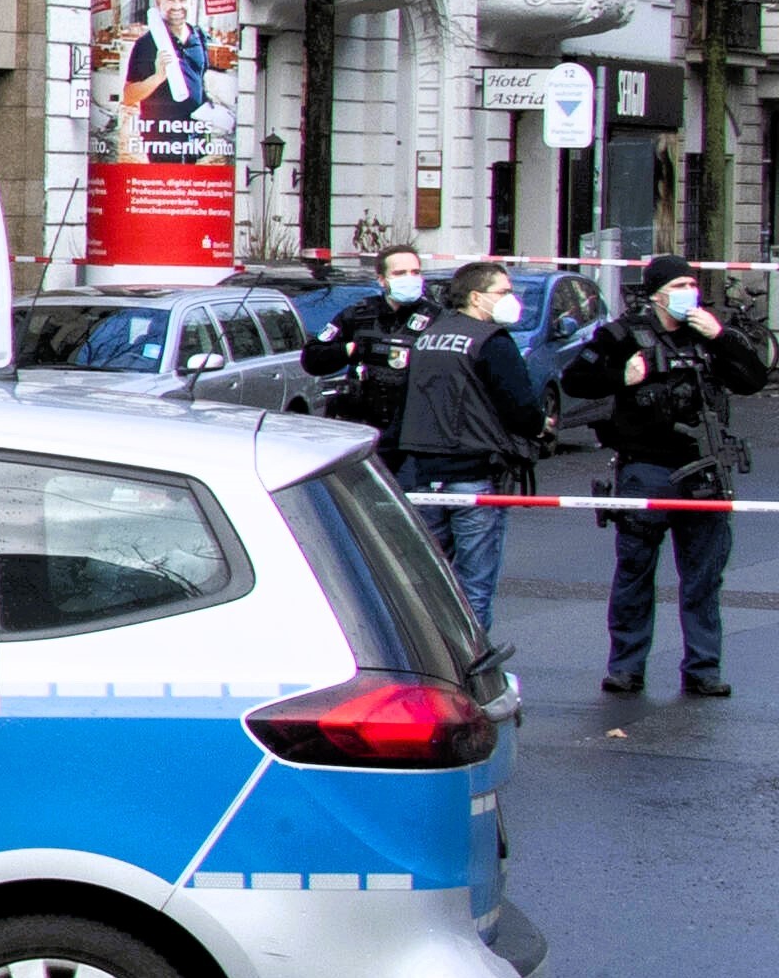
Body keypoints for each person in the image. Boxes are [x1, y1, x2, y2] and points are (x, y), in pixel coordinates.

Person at [559, 257, 762, 697]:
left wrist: (722, 337)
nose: (691, 291)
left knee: (704, 578)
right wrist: (621, 374)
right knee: (634, 571)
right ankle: (627, 667)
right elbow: (575, 379)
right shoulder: (622, 334)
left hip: (705, 472)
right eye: (681, 284)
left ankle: (703, 668)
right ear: (656, 293)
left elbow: (752, 379)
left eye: (693, 282)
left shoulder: (707, 334)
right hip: (645, 469)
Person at [389, 262, 544, 641]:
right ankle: (471, 664)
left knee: (427, 582)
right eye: (503, 292)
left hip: (425, 474)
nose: (511, 300)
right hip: (475, 474)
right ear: (477, 297)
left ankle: (428, 657)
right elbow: (521, 408)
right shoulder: (491, 340)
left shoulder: (428, 337)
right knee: (474, 584)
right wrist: (540, 427)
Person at [302, 243, 431, 449]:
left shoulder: (435, 317)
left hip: (417, 429)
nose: (409, 278)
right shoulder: (359, 314)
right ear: (382, 279)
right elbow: (312, 358)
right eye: (400, 273)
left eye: (415, 272)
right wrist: (353, 349)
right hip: (367, 425)